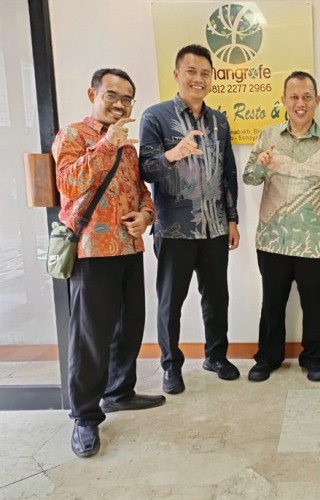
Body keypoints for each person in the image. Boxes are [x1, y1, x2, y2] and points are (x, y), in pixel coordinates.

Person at [53, 68, 165, 458]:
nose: (120, 104)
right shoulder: (73, 135)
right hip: (91, 252)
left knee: (129, 326)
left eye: (127, 98)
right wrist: (105, 146)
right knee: (90, 338)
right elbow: (68, 185)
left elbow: (141, 192)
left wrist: (146, 216)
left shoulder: (128, 147)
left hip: (128, 250)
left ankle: (119, 392)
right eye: (112, 95)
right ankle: (84, 417)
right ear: (93, 94)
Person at [139, 44, 240, 394]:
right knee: (171, 301)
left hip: (214, 227)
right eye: (191, 71)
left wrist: (232, 218)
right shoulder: (155, 117)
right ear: (177, 74)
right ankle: (170, 366)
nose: (198, 79)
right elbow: (146, 171)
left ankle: (216, 356)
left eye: (205, 73)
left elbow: (228, 172)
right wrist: (173, 153)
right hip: (174, 229)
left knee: (217, 297)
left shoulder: (219, 121)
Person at [243, 71, 320, 382]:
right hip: (273, 239)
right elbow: (250, 178)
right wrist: (261, 163)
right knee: (272, 303)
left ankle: (314, 358)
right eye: (294, 97)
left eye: (306, 97)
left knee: (315, 304)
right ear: (283, 101)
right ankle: (267, 358)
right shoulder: (268, 135)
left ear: (317, 100)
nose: (300, 103)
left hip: (317, 240)